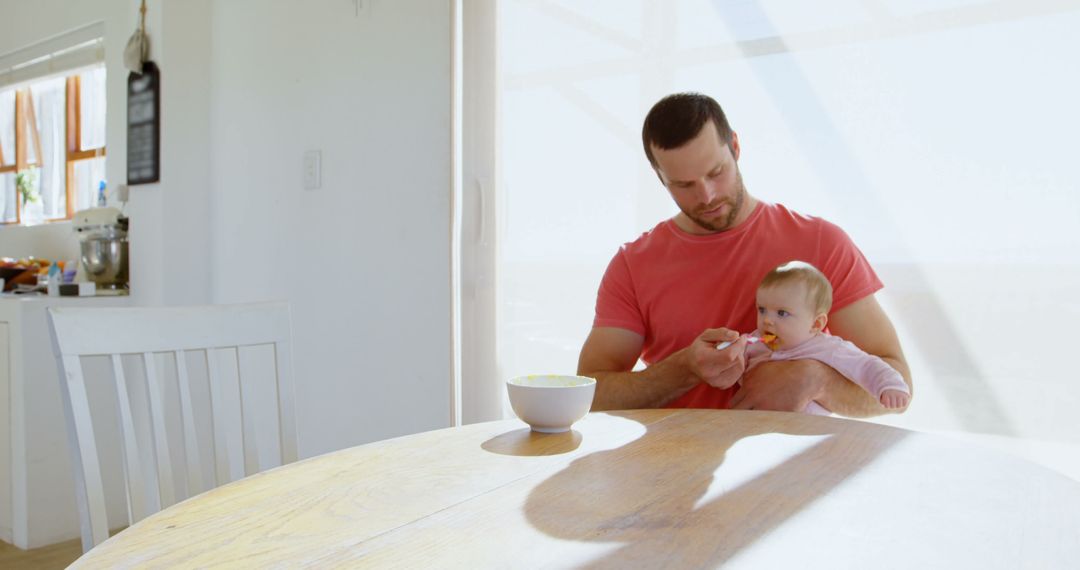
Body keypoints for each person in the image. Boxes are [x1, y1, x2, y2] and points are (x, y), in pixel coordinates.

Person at [577, 92, 911, 416]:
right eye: (684, 184)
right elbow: (589, 395)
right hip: (678, 468)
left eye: (716, 172)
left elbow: (898, 384)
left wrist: (815, 381)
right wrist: (683, 370)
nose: (707, 196)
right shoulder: (633, 265)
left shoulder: (823, 243)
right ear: (659, 177)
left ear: (735, 147)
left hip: (801, 469)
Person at [717, 261, 911, 414]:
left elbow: (866, 366)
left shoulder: (828, 348)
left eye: (782, 313)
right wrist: (727, 356)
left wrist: (889, 386)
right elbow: (729, 370)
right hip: (756, 429)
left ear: (816, 324)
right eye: (762, 310)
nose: (767, 321)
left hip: (805, 435)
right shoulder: (753, 342)